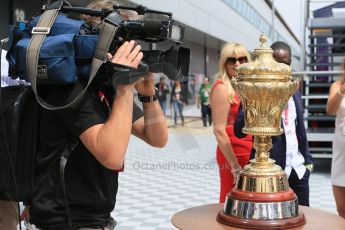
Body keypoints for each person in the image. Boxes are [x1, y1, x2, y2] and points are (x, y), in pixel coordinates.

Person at [26, 1, 168, 229]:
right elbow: (111, 155)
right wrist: (124, 88)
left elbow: (157, 138)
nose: (131, 50)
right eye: (123, 41)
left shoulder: (105, 85)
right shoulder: (69, 87)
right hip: (64, 218)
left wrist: (148, 94)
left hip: (95, 217)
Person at [234, 41, 314, 206]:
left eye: (285, 64)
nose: (281, 68)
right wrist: (252, 98)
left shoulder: (295, 89)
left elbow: (299, 129)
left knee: (304, 216)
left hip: (299, 170)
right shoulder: (257, 90)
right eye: (276, 63)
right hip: (270, 173)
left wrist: (308, 162)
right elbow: (238, 131)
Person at [210, 42, 253, 203]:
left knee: (250, 203)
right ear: (224, 63)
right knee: (231, 202)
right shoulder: (222, 88)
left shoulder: (248, 86)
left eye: (242, 59)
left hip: (251, 153)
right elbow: (219, 130)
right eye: (231, 60)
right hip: (232, 155)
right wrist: (235, 166)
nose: (237, 64)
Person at [326, 58, 345, 219]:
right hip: (341, 151)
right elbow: (330, 110)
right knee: (342, 209)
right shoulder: (337, 85)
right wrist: (341, 92)